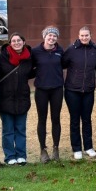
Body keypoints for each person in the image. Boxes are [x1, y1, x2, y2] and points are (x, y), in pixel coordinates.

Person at [62, 26, 96, 160]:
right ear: (78, 36)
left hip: (88, 90)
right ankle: (77, 148)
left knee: (87, 119)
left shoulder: (95, 49)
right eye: (82, 35)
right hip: (72, 90)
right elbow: (63, 64)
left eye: (86, 35)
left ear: (90, 36)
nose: (84, 37)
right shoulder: (71, 49)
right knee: (74, 120)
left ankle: (89, 147)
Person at [0, 32, 34, 165]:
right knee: (8, 130)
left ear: (24, 42)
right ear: (10, 43)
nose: (16, 43)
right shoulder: (1, 57)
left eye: (19, 40)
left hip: (22, 98)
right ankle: (10, 156)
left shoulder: (29, 58)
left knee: (20, 129)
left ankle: (21, 155)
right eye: (14, 41)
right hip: (5, 99)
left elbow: (32, 73)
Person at [31, 26, 64, 163]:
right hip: (41, 90)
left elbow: (64, 65)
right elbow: (30, 68)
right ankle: (43, 149)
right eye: (49, 35)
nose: (52, 38)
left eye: (54, 36)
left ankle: (56, 148)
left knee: (56, 119)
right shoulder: (35, 52)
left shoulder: (60, 51)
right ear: (44, 36)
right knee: (42, 119)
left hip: (57, 89)